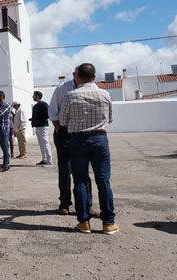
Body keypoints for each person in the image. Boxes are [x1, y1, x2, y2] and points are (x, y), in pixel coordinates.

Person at [60, 63, 118, 235]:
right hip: (100, 138)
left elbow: (63, 121)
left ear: (78, 77)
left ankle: (84, 222)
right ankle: (108, 223)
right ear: (94, 77)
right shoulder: (105, 94)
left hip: (78, 140)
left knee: (80, 181)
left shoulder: (70, 96)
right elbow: (111, 118)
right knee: (103, 181)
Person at [49, 66, 97, 217]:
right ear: (74, 75)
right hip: (64, 132)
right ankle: (64, 203)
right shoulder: (62, 89)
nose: (79, 76)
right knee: (65, 170)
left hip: (82, 132)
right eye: (77, 74)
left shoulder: (92, 88)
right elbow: (52, 110)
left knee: (82, 170)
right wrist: (58, 128)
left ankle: (85, 205)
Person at [32, 91, 53, 167]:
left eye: (33, 95)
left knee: (45, 143)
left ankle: (49, 161)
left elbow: (48, 114)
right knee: (41, 144)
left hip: (43, 126)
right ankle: (44, 159)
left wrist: (41, 119)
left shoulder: (44, 104)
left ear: (37, 96)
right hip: (37, 126)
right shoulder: (36, 106)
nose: (32, 97)